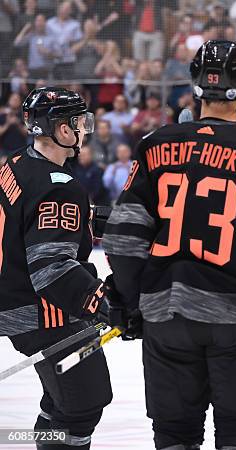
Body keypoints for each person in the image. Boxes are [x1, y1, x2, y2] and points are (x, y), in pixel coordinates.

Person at [102, 40, 236, 450]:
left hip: (167, 314)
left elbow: (124, 235)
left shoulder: (155, 144)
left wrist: (130, 302)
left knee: (174, 435)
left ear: (195, 87)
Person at [0, 87, 114, 449]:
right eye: (80, 121)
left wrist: (95, 218)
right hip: (46, 317)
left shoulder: (17, 163)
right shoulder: (60, 187)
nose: (84, 128)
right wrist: (103, 301)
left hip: (16, 302)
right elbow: (52, 269)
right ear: (63, 130)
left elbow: (29, 221)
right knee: (84, 402)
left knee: (62, 400)